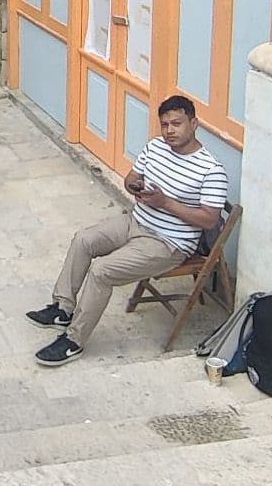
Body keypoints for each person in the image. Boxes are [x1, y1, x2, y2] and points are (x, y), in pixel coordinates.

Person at [28, 94, 229, 366]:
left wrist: (166, 203)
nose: (170, 130)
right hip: (136, 221)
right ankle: (63, 308)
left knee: (102, 271)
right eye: (165, 124)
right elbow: (131, 178)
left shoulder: (211, 170)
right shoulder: (156, 147)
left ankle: (74, 340)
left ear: (194, 124)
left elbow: (208, 219)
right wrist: (135, 187)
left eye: (177, 124)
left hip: (168, 243)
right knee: (83, 240)